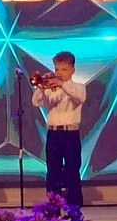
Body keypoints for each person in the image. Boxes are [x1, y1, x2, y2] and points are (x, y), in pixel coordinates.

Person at [32, 51, 86, 207]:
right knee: (53, 173)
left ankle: (74, 209)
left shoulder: (79, 87)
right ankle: (53, 209)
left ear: (72, 70)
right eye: (57, 69)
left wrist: (63, 85)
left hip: (71, 134)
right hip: (53, 135)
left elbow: (80, 98)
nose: (59, 73)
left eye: (64, 69)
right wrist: (41, 87)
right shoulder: (50, 89)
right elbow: (36, 102)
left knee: (72, 172)